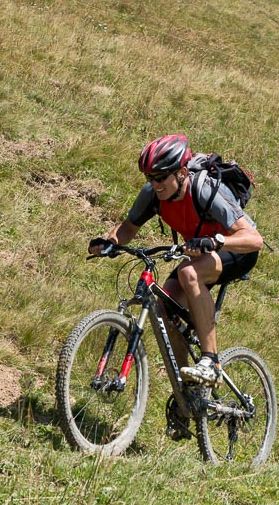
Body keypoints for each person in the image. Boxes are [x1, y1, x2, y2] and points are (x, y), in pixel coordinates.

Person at [89, 133, 263, 396]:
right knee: (163, 305)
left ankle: (210, 362)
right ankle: (187, 390)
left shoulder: (204, 190)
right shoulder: (153, 195)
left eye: (161, 177)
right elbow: (127, 229)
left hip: (236, 250)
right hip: (201, 254)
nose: (155, 183)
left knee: (189, 273)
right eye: (149, 177)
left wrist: (215, 242)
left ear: (182, 172)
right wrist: (109, 242)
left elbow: (253, 239)